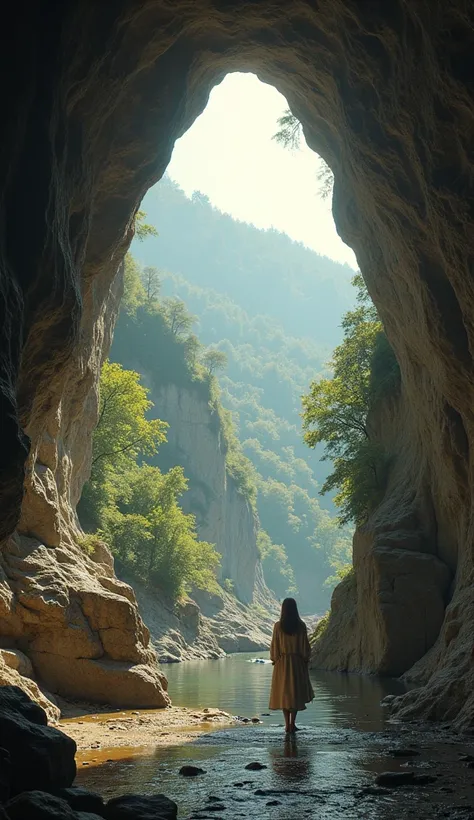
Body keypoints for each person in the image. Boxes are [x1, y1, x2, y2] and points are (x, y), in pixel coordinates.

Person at [269, 598, 314, 734]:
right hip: (297, 662)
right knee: (295, 693)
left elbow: (274, 645)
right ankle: (292, 724)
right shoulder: (301, 625)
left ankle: (286, 724)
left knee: (284, 693)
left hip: (282, 663)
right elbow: (305, 646)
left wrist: (275, 659)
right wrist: (305, 659)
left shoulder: (278, 626)